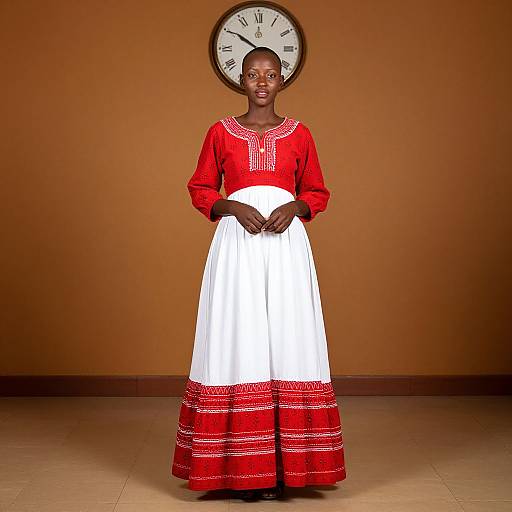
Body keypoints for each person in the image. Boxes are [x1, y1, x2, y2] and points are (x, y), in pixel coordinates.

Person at [171, 46, 347, 501]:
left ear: (283, 79)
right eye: (253, 74)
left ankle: (289, 468)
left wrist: (295, 206)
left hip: (286, 245)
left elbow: (317, 190)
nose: (262, 82)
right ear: (240, 80)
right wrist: (230, 206)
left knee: (289, 338)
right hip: (238, 246)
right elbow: (201, 187)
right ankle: (244, 469)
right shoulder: (220, 132)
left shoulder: (300, 134)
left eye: (270, 74)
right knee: (239, 338)